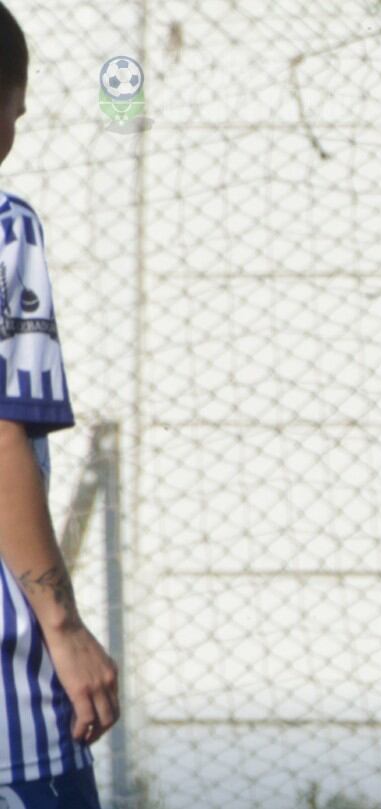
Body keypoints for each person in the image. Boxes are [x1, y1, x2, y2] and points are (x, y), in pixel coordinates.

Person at [0, 4, 120, 807]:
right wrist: (65, 628)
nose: (17, 124)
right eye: (14, 107)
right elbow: (3, 439)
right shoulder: (7, 230)